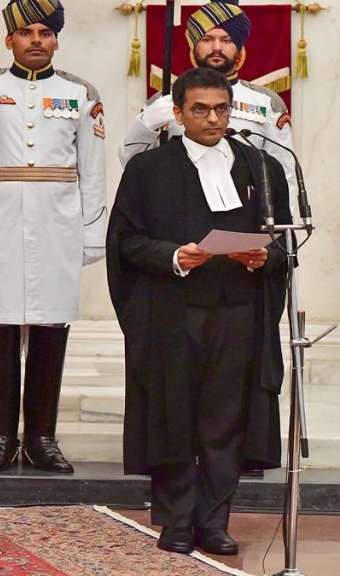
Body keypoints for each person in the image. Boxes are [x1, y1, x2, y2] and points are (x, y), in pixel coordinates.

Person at [107, 67, 290, 556]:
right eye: (200, 109)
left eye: (221, 108)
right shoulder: (148, 170)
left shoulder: (261, 168)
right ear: (178, 112)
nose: (213, 118)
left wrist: (264, 256)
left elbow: (284, 242)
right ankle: (176, 521)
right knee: (174, 414)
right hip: (173, 311)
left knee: (225, 420)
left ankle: (214, 520)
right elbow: (125, 243)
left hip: (238, 312)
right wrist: (172, 256)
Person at [0, 0, 107, 474]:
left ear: (56, 40)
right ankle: (1, 439)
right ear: (9, 39)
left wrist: (92, 233)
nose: (37, 40)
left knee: (52, 327)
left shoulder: (80, 93)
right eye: (26, 32)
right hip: (1, 223)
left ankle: (42, 437)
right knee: (1, 326)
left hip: (58, 222)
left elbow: (93, 170)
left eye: (45, 33)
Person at [118, 0, 298, 211]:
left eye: (226, 39)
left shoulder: (267, 102)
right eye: (207, 39)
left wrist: (284, 235)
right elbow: (129, 161)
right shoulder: (166, 98)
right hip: (177, 207)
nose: (217, 48)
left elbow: (285, 173)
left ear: (239, 45)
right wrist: (146, 123)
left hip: (246, 210)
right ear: (194, 44)